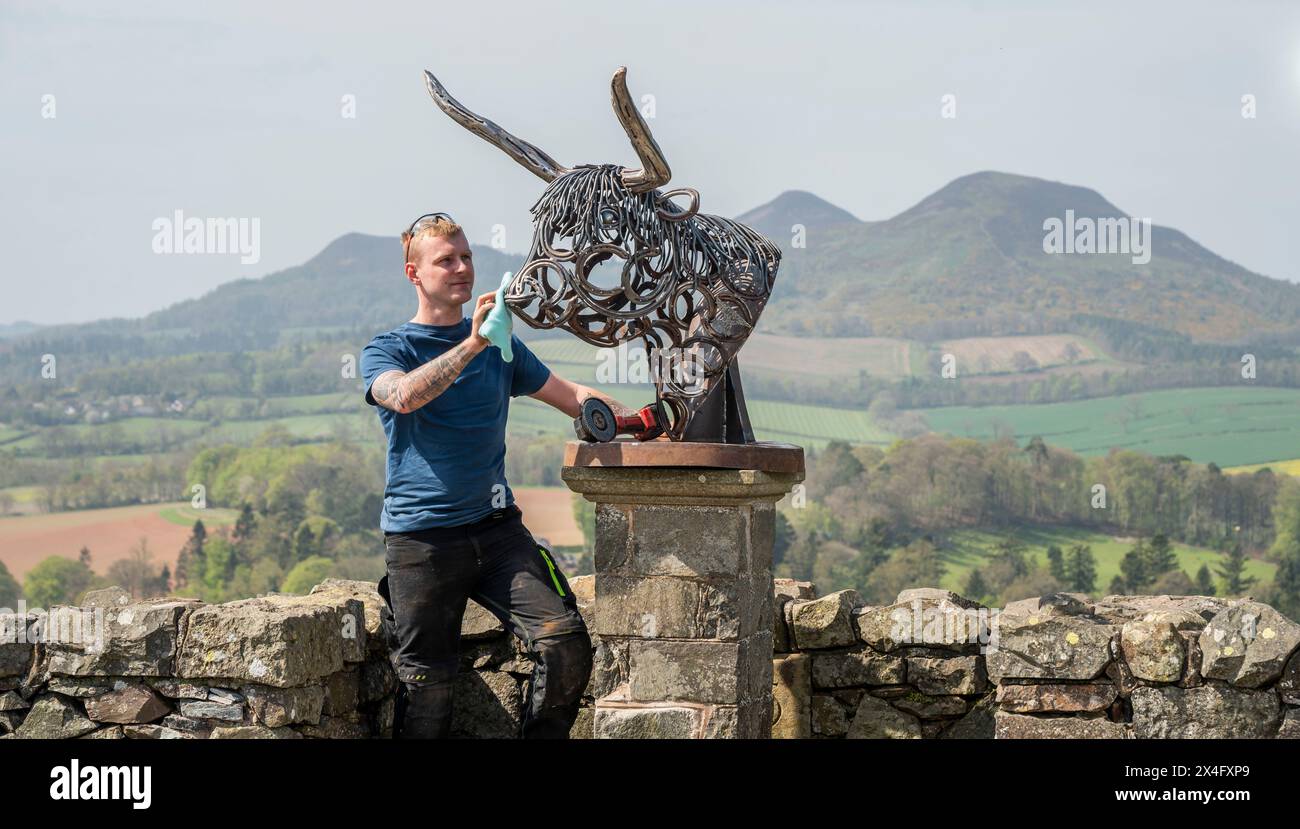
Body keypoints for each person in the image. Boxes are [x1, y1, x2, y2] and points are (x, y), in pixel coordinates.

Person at [361, 212, 633, 738]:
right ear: (413, 273)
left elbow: (571, 396)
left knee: (564, 642)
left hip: (497, 529)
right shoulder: (388, 349)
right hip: (421, 540)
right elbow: (404, 396)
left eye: (466, 257)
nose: (462, 268)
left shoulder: (501, 345)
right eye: (446, 260)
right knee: (426, 686)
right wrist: (474, 343)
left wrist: (644, 423)